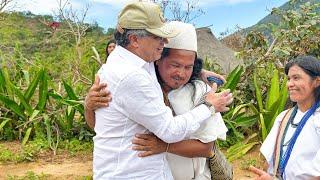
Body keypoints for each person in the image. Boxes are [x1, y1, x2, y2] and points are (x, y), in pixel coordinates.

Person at [91, 2, 233, 179]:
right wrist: (208, 106)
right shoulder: (135, 76)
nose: (163, 42)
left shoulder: (141, 65)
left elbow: (207, 147)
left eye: (188, 67)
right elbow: (169, 130)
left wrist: (199, 73)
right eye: (158, 37)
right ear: (135, 40)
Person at [249, 55, 320, 180]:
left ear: (316, 82)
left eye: (296, 78)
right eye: (288, 79)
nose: (290, 84)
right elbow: (269, 159)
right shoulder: (284, 117)